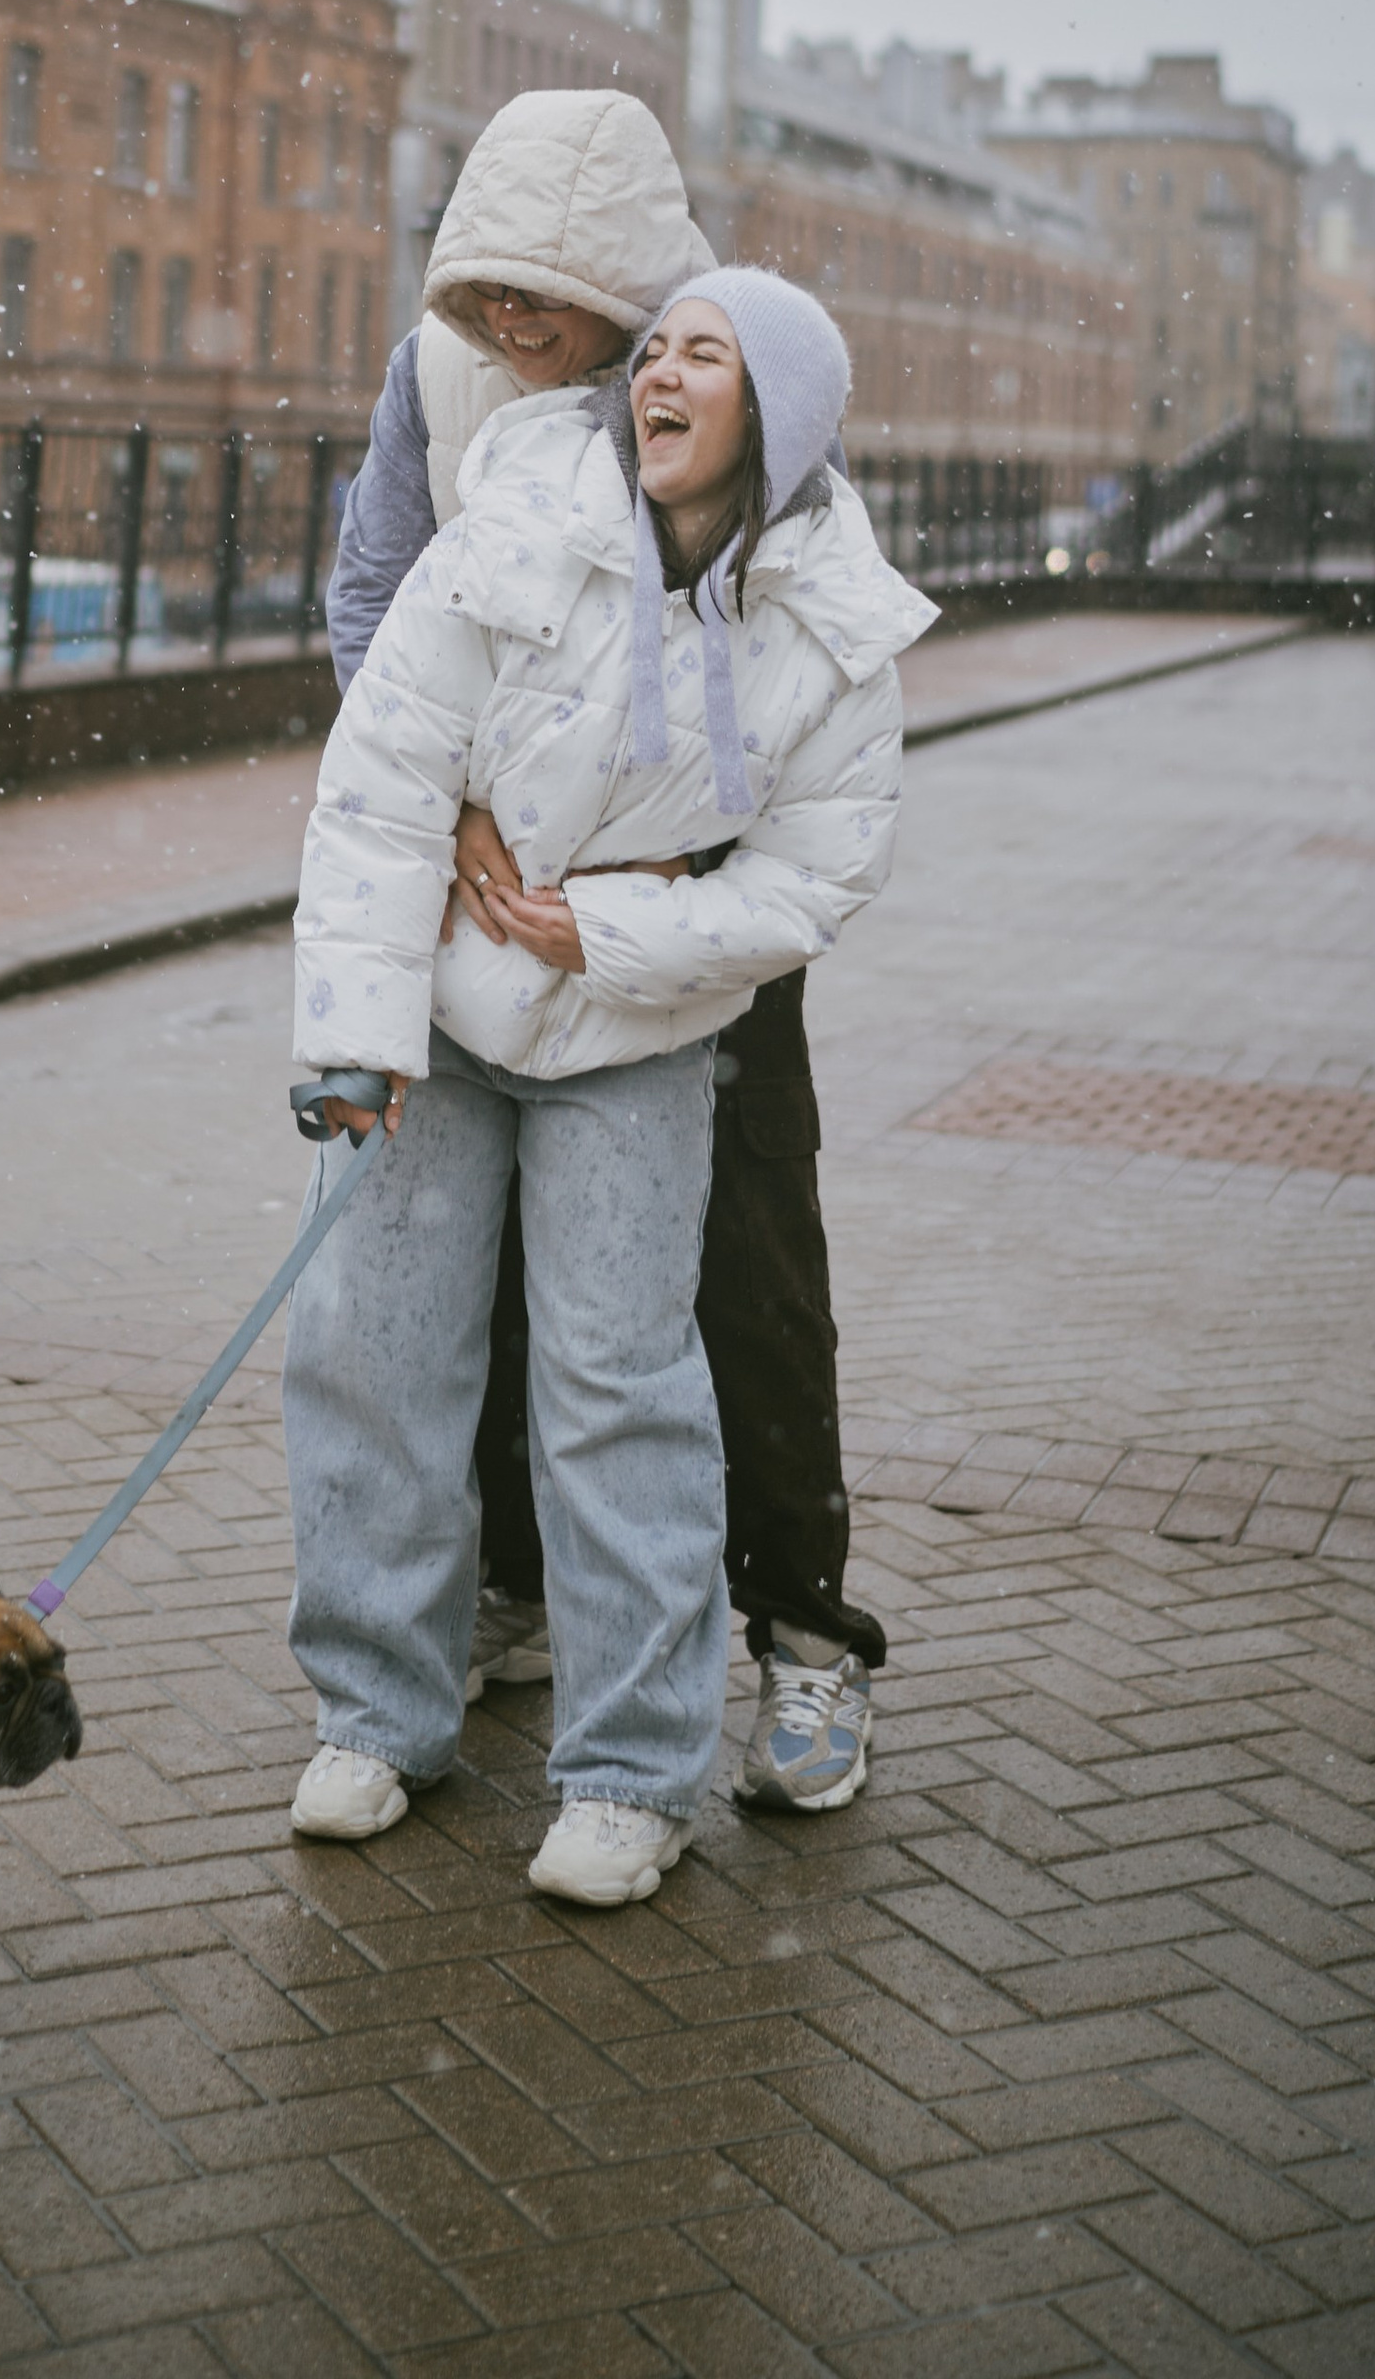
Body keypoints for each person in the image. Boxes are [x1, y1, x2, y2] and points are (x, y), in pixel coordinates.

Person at [286, 265, 934, 1905]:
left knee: (622, 1389)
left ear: (777, 413)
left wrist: (612, 934)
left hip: (638, 1037)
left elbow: (817, 878)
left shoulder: (835, 628)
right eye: (654, 351)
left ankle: (633, 1774)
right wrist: (356, 1033)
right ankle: (375, 1714)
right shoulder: (515, 523)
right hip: (441, 1015)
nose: (657, 374)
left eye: (704, 356)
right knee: (373, 1356)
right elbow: (384, 775)